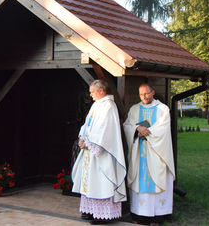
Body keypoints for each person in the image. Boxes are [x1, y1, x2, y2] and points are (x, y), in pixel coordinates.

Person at [72, 79, 127, 225]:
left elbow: (104, 130)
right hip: (90, 151)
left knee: (101, 182)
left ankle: (102, 215)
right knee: (90, 182)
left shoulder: (109, 106)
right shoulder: (96, 105)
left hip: (102, 153)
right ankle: (91, 211)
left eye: (92, 92)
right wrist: (82, 138)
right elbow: (87, 124)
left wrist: (89, 143)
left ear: (101, 91)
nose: (90, 95)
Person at [123, 83, 175, 226]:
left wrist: (148, 132)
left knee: (156, 181)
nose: (144, 97)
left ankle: (156, 218)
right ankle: (139, 216)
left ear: (152, 92)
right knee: (140, 183)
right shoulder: (134, 109)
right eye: (141, 94)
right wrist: (137, 128)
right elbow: (127, 125)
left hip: (157, 153)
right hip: (139, 154)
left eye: (146, 93)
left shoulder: (162, 109)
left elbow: (163, 128)